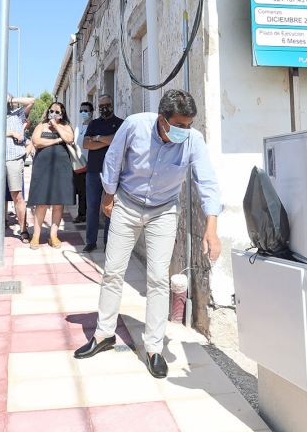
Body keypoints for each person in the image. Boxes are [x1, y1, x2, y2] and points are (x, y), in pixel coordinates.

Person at [74, 90, 222, 379]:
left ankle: (154, 348)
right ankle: (104, 334)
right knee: (113, 272)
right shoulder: (135, 125)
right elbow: (113, 159)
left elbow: (206, 181)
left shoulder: (193, 140)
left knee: (157, 278)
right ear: (162, 119)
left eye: (189, 125)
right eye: (178, 125)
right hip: (127, 204)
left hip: (163, 211)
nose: (184, 131)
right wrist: (108, 195)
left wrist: (212, 228)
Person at [27, 101, 77, 249]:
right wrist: (57, 140)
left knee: (58, 203)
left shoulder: (66, 126)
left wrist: (56, 126)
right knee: (41, 202)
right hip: (42, 168)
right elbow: (36, 142)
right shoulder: (41, 126)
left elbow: (69, 139)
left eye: (57, 112)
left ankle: (53, 236)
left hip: (61, 168)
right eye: (51, 111)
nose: (53, 114)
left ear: (62, 114)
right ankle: (36, 236)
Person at [81, 94, 125, 253]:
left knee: (110, 208)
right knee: (92, 207)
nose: (104, 108)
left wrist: (97, 138)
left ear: (112, 105)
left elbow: (117, 141)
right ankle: (91, 242)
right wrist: (106, 141)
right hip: (93, 171)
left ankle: (109, 242)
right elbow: (86, 144)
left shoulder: (120, 123)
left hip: (113, 172)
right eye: (101, 106)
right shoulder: (93, 123)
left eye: (107, 105)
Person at [0, 97, 29, 240]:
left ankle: (23, 229)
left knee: (17, 195)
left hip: (14, 159)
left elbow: (31, 101)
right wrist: (10, 133)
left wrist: (12, 99)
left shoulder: (18, 115)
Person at [72, 101, 93, 223]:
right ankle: (81, 214)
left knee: (89, 191)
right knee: (81, 191)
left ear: (91, 112)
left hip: (91, 163)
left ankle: (89, 215)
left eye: (86, 111)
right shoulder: (78, 127)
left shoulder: (94, 126)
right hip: (79, 164)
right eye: (81, 111)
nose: (83, 113)